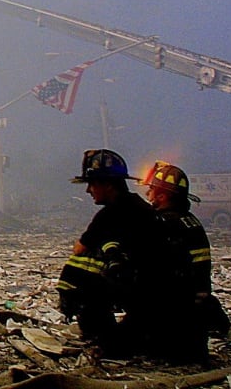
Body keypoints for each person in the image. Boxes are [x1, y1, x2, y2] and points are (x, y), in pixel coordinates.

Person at [56, 149, 170, 358]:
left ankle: (100, 331)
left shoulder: (109, 215)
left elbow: (80, 249)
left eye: (92, 184)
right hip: (163, 298)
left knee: (81, 269)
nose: (88, 190)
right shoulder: (142, 208)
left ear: (108, 184)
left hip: (144, 293)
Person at [140, 161, 230, 361]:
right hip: (195, 309)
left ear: (162, 196)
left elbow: (152, 271)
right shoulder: (190, 221)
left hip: (174, 313)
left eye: (151, 191)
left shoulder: (163, 224)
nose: (148, 195)